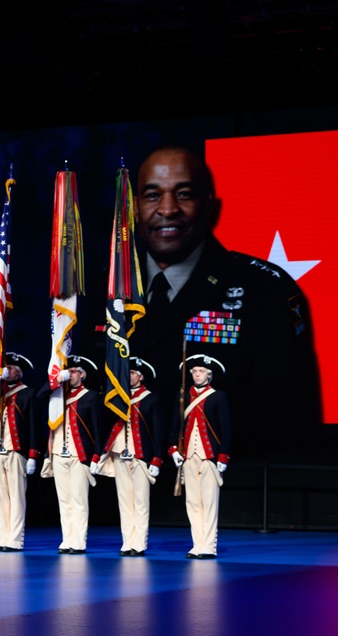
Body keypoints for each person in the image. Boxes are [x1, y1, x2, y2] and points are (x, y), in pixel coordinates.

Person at [132, 146, 320, 447]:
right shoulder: (104, 289)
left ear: (209, 206)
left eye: (184, 194)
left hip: (226, 483)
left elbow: (290, 426)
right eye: (153, 195)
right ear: (135, 207)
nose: (167, 209)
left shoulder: (265, 289)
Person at [0, 352, 46, 552]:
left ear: (19, 372)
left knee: (16, 496)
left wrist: (33, 454)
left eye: (11, 368)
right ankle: (2, 536)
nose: (7, 371)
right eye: (5, 367)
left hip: (16, 450)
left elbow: (34, 425)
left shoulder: (28, 393)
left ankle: (15, 538)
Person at [97, 357, 164, 556]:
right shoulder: (118, 398)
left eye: (133, 373)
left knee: (141, 501)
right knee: (124, 501)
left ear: (141, 376)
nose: (128, 376)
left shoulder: (151, 398)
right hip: (119, 453)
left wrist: (157, 458)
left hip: (141, 455)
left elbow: (157, 431)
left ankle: (139, 543)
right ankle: (127, 541)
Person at [170, 354, 232, 560]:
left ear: (209, 375)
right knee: (193, 503)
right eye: (194, 372)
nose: (197, 375)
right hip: (188, 455)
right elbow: (176, 424)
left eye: (201, 372)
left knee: (209, 502)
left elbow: (226, 429)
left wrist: (223, 456)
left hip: (210, 456)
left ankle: (208, 545)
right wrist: (173, 450)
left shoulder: (218, 396)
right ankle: (197, 544)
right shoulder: (183, 395)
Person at [46, 355, 101, 554]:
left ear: (82, 374)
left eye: (75, 372)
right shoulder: (58, 395)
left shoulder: (91, 396)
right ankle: (67, 539)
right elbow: (39, 396)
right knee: (64, 499)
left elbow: (97, 428)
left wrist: (97, 455)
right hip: (59, 453)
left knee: (78, 499)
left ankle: (79, 540)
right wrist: (56, 380)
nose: (71, 375)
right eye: (69, 372)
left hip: (80, 454)